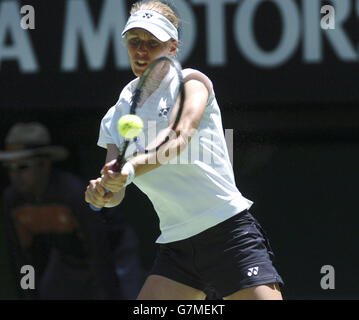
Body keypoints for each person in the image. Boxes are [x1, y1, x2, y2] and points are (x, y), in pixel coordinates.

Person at [85, 0, 284, 300]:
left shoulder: (192, 82)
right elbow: (116, 189)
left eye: (152, 43)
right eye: (134, 41)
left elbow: (179, 136)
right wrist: (103, 192)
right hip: (177, 248)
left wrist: (130, 168)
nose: (141, 51)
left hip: (227, 232)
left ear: (172, 47)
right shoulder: (116, 115)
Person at [0, 122, 145, 300]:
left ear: (44, 164)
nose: (15, 175)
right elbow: (23, 260)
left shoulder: (71, 194)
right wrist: (28, 295)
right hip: (67, 259)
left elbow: (99, 253)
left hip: (114, 252)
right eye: (10, 168)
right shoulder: (12, 202)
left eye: (23, 167)